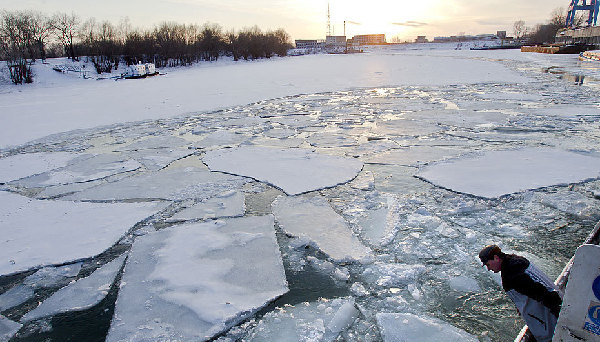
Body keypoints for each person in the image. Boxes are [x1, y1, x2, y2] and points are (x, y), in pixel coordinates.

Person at [479, 244, 562, 342]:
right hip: (549, 316)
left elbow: (542, 293)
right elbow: (531, 288)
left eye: (488, 264)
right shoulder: (516, 261)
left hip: (548, 327)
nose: (488, 269)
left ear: (496, 258)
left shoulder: (511, 274)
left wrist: (559, 314)